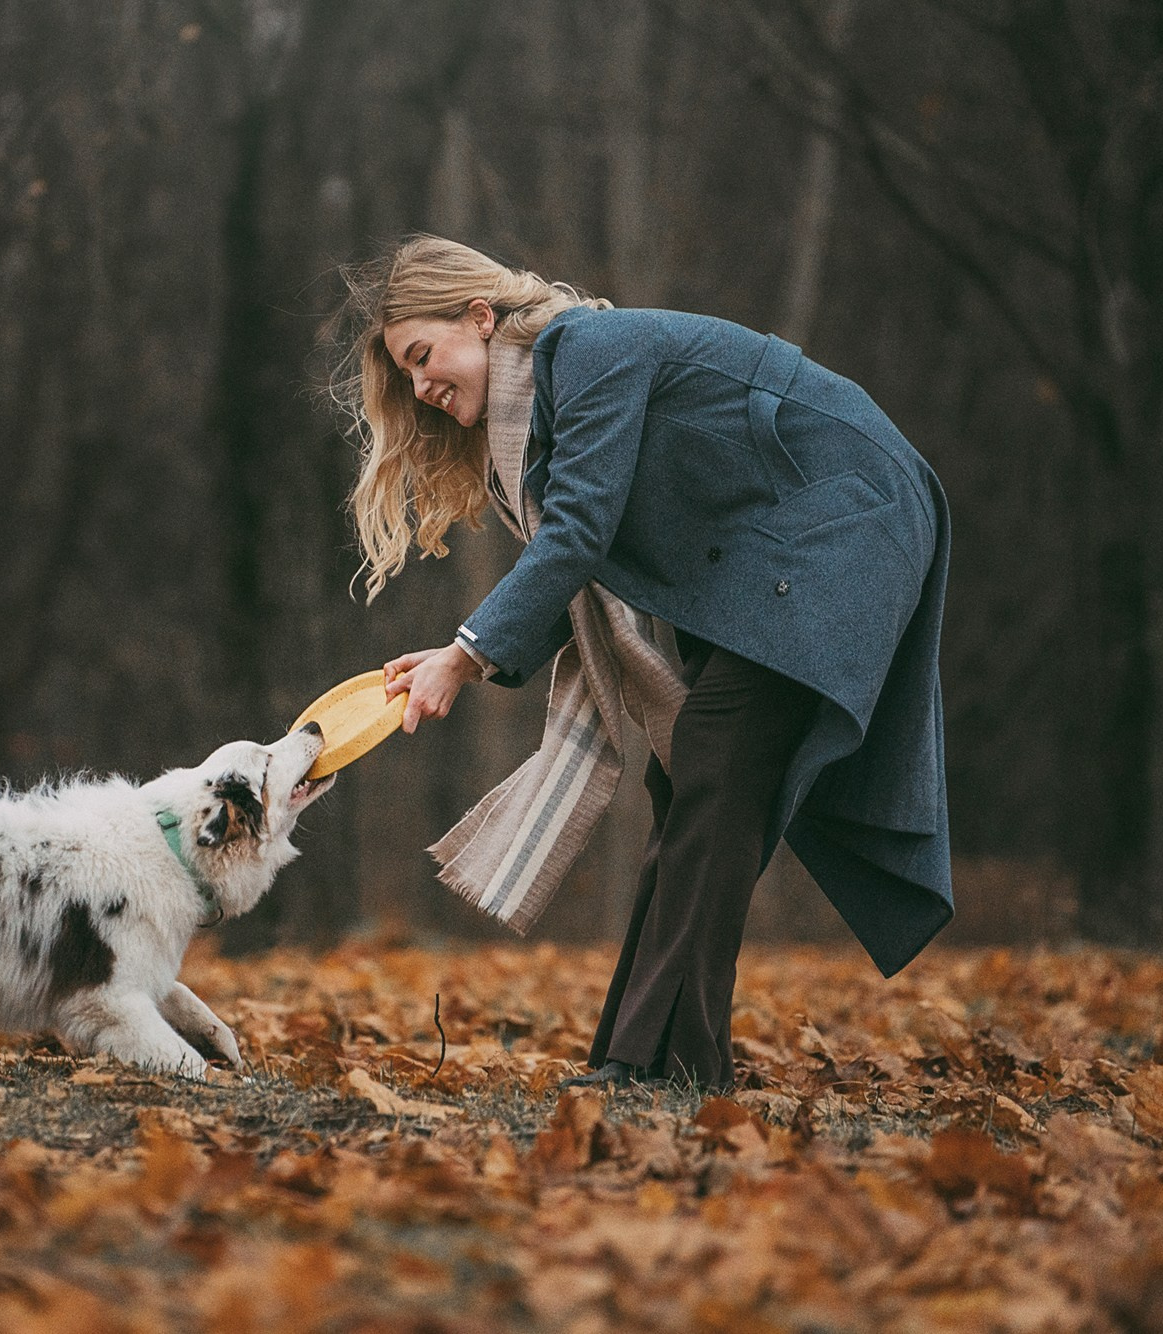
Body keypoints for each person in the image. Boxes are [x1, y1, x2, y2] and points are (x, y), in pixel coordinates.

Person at [334, 234, 952, 1089]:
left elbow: (578, 531)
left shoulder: (589, 350)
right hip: (774, 546)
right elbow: (580, 552)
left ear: (479, 317)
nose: (420, 388)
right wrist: (461, 653)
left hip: (840, 518)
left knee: (717, 764)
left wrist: (466, 655)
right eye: (406, 374)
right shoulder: (549, 401)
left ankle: (662, 1066)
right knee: (694, 777)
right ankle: (642, 1057)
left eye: (420, 356)